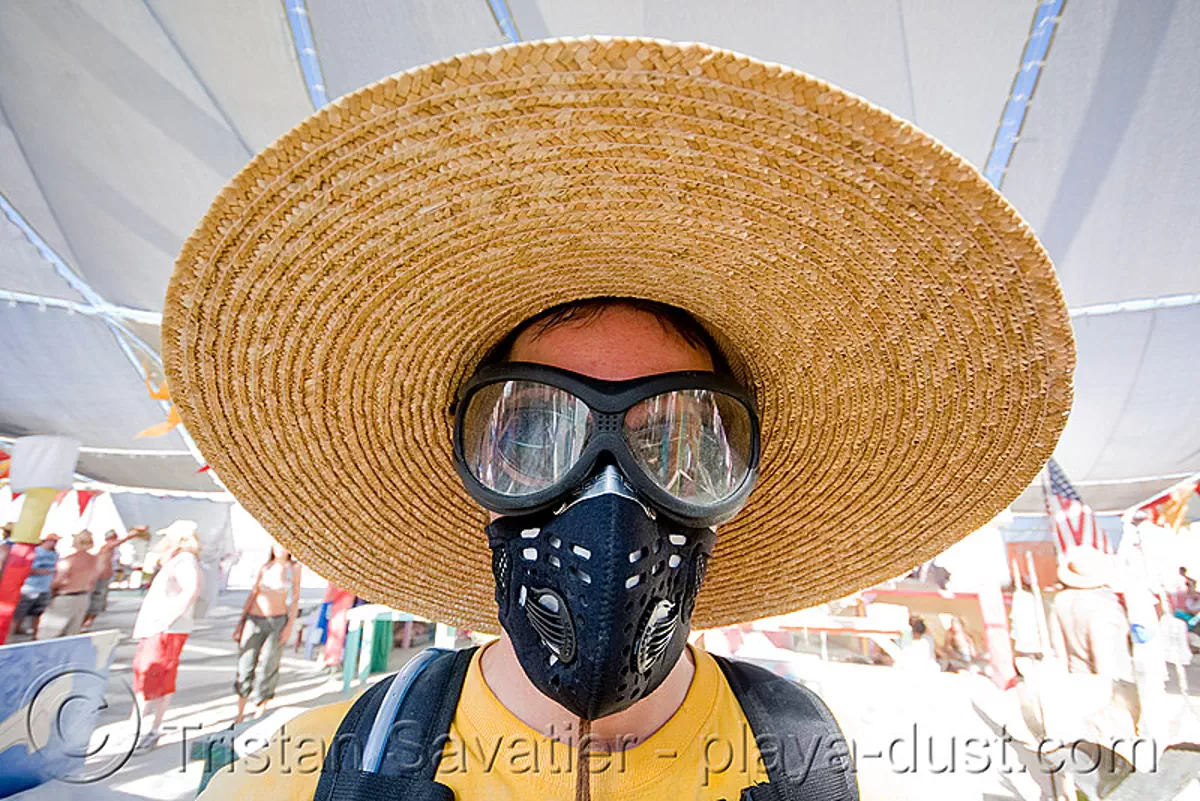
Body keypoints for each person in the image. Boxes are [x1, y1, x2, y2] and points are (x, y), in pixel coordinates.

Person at [170, 38, 1073, 800]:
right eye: (532, 436)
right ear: (474, 476)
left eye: (678, 443)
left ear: (736, 487)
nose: (608, 487)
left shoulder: (803, 758)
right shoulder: (308, 774)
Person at [1047, 547, 1138, 741]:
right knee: (1115, 741)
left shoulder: (1060, 601)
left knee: (1086, 740)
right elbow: (1103, 651)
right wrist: (1109, 688)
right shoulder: (1103, 605)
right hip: (1111, 681)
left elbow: (1058, 647)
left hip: (1076, 677)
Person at [128, 520, 203, 753]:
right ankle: (142, 726)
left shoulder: (184, 560)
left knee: (153, 676)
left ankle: (147, 729)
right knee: (151, 676)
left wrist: (168, 618)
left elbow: (191, 589)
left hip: (166, 629)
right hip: (162, 628)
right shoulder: (180, 559)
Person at [233, 543, 301, 723]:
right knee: (246, 663)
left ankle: (261, 708)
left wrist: (289, 626)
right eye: (276, 545)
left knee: (270, 663)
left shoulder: (293, 569)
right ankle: (240, 710)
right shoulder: (265, 567)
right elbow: (253, 594)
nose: (280, 549)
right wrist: (241, 622)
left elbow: (294, 599)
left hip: (277, 620)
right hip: (254, 618)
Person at [36, 530, 100, 639]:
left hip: (65, 596)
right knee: (71, 634)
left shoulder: (68, 560)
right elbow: (94, 579)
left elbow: (59, 581)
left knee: (48, 634)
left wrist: (52, 590)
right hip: (84, 597)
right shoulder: (95, 560)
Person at [82, 526, 148, 629]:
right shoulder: (107, 546)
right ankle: (85, 621)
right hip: (100, 575)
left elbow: (115, 562)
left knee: (100, 600)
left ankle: (88, 621)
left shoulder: (114, 550)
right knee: (96, 598)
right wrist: (131, 534)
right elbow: (117, 543)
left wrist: (124, 568)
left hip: (106, 576)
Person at [9, 532, 60, 638]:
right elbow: (22, 569)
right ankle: (10, 634)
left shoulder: (55, 554)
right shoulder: (35, 552)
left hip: (44, 588)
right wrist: (37, 571)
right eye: (52, 540)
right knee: (18, 614)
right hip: (30, 587)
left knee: (38, 614)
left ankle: (35, 634)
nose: (55, 543)